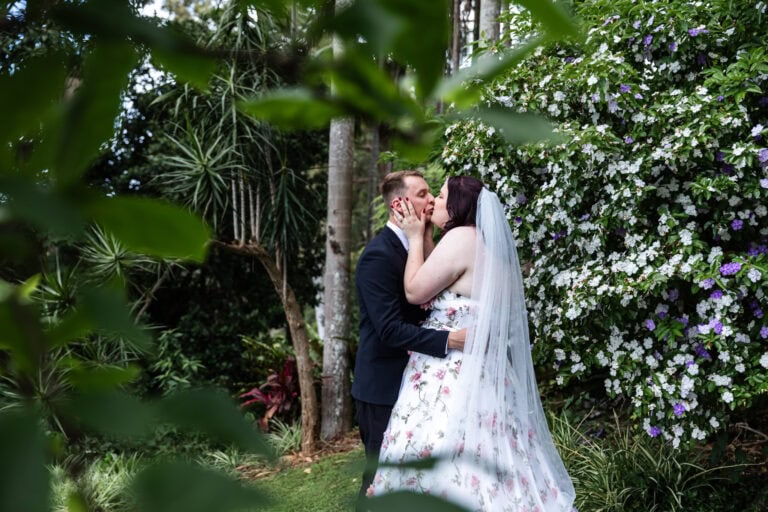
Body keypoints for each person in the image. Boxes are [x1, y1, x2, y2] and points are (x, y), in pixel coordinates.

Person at [368, 176, 576, 511]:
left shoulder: (461, 238)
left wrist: (414, 237)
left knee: (445, 452)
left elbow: (414, 291)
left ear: (457, 206)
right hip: (485, 371)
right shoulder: (484, 244)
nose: (434, 200)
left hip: (453, 370)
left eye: (440, 194)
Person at [352, 170, 467, 504]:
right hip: (382, 386)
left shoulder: (420, 246)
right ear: (399, 204)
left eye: (431, 193)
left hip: (418, 383)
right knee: (378, 477)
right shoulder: (378, 256)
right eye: (422, 194)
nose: (431, 200)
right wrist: (451, 340)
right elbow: (389, 329)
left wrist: (424, 238)